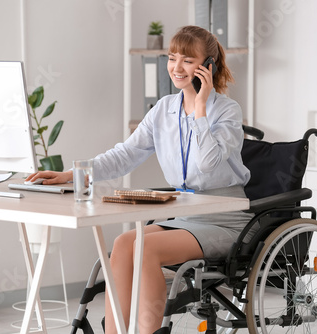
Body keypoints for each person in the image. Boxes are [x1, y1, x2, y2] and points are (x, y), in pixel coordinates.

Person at [26, 25, 253, 334]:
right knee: (123, 243)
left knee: (146, 248)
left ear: (208, 66)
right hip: (186, 212)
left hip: (224, 218)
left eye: (188, 60)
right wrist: (71, 174)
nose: (176, 67)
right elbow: (126, 153)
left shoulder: (226, 110)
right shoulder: (163, 109)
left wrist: (201, 107)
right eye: (173, 57)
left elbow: (208, 161)